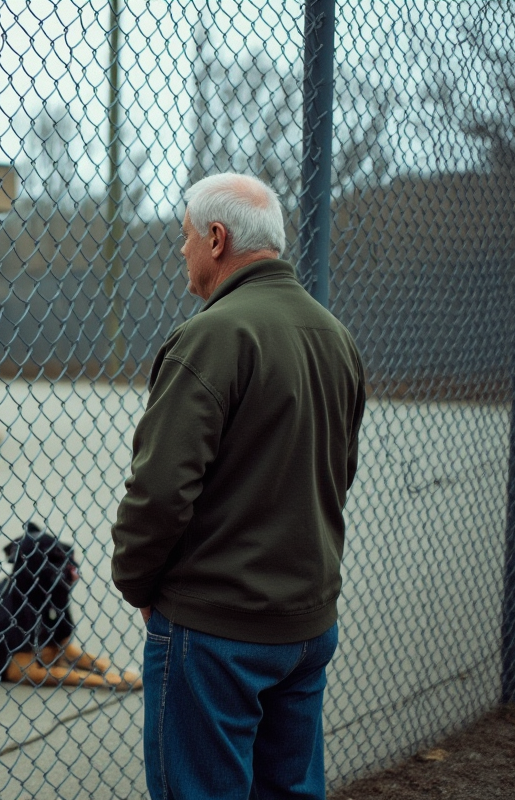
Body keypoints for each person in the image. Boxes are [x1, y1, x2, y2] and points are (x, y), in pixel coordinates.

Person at [111, 173, 366, 800]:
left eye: (186, 237)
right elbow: (338, 472)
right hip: (307, 623)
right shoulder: (336, 338)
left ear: (217, 239)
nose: (182, 251)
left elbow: (162, 492)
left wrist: (138, 582)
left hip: (216, 632)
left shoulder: (210, 337)